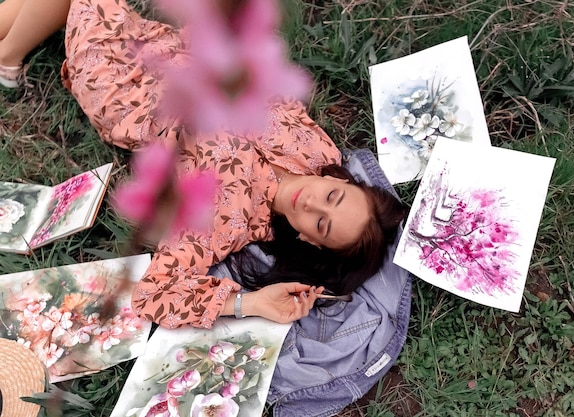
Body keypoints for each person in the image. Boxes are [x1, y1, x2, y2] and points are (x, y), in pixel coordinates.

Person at [0, 0, 407, 329]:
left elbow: (154, 295)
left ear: (310, 242)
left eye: (321, 224)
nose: (312, 203)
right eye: (333, 195)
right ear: (340, 178)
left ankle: (8, 57)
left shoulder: (228, 219)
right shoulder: (319, 152)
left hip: (124, 92)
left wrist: (249, 303)